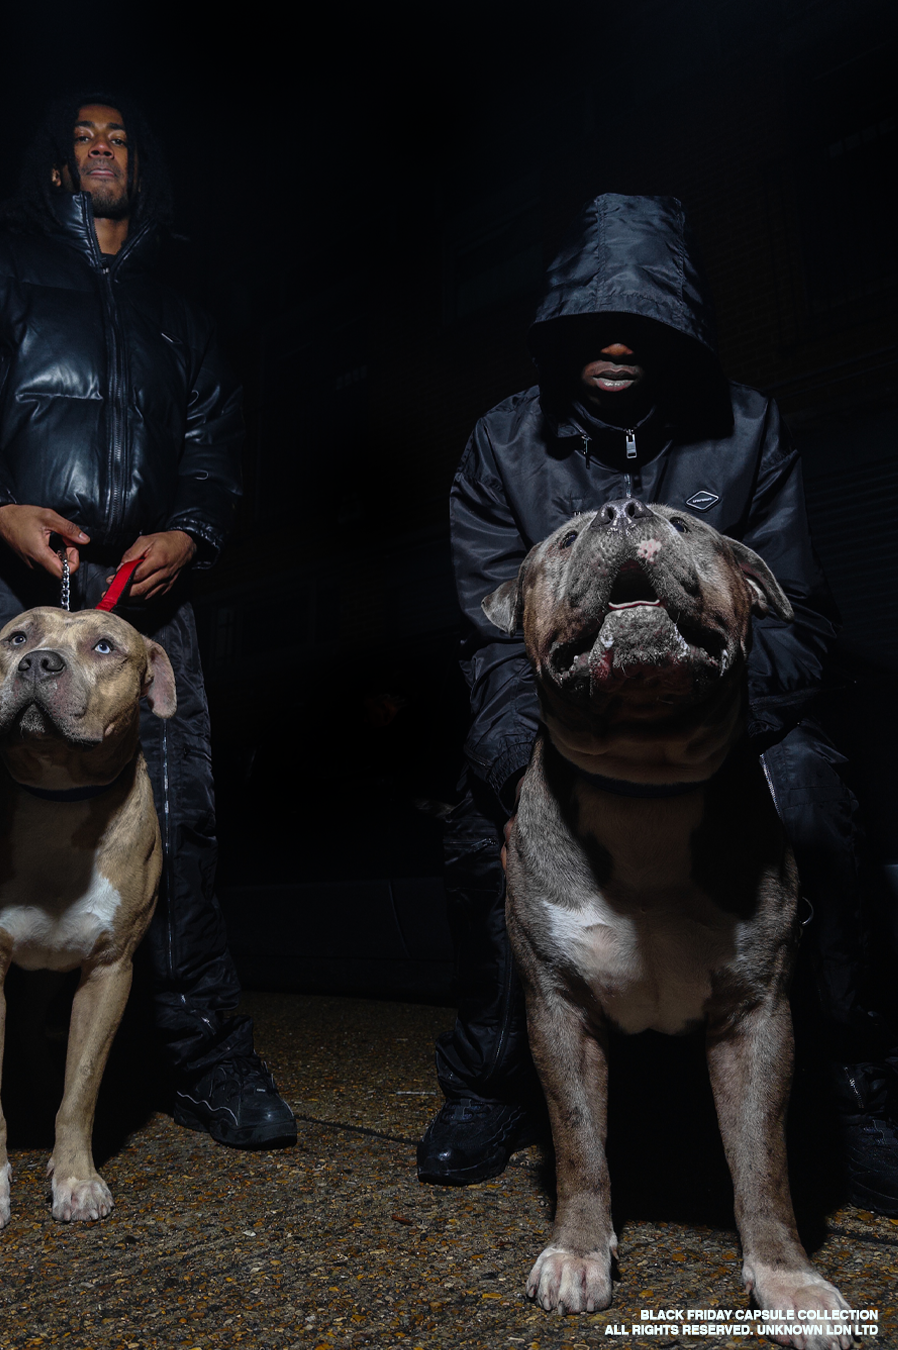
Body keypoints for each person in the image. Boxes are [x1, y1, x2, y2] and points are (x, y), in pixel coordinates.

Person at [0, 92, 296, 1211]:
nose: (101, 147)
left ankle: (206, 1058)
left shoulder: (179, 306)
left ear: (143, 167)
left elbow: (220, 441)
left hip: (143, 593)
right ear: (52, 167)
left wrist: (194, 531)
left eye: (120, 136)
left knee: (181, 832)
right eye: (82, 136)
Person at [417, 193, 898, 1213]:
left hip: (729, 721)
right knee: (481, 820)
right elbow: (490, 634)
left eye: (644, 320)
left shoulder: (749, 425)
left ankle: (856, 1079)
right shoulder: (503, 443)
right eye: (592, 321)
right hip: (563, 726)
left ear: (685, 327)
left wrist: (717, 726)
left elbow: (801, 618)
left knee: (815, 796)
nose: (617, 342)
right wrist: (518, 765)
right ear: (556, 327)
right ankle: (492, 1074)